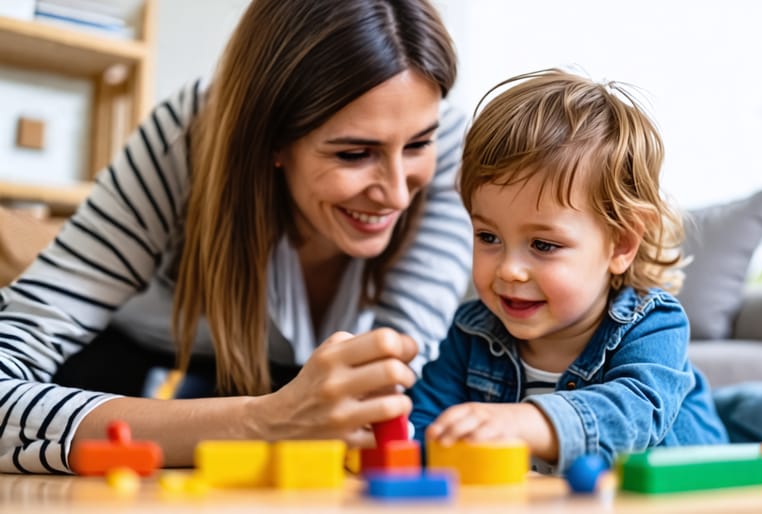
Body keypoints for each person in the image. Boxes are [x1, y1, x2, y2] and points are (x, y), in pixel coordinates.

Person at [0, 0, 472, 474]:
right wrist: (263, 421)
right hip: (139, 373)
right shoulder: (185, 136)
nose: (395, 193)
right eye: (353, 153)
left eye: (417, 145)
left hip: (298, 396)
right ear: (271, 139)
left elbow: (403, 383)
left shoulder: (448, 142)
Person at [407, 69, 728, 474]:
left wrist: (533, 421)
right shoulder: (468, 333)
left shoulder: (653, 324)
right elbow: (424, 430)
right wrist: (394, 437)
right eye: (488, 237)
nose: (509, 270)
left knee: (760, 415)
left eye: (543, 245)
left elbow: (635, 412)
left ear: (622, 243)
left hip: (676, 494)